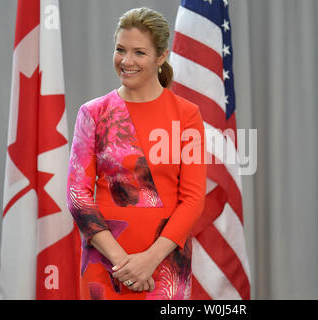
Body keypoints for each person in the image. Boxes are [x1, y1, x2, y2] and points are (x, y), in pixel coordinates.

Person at [66, 7, 206, 300]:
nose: (126, 61)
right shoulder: (92, 113)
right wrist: (123, 262)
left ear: (161, 56)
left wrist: (148, 260)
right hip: (105, 267)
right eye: (120, 50)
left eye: (139, 53)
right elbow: (77, 195)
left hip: (166, 265)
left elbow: (193, 199)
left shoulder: (187, 114)